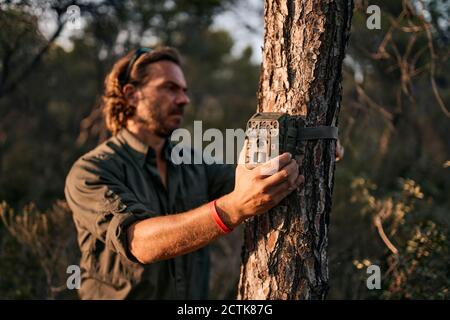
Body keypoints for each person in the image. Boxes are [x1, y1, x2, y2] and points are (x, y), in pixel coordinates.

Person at [64, 47, 303, 299]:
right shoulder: (91, 171)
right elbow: (139, 242)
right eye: (169, 88)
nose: (183, 99)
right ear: (132, 95)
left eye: (184, 90)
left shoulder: (191, 162)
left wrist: (312, 143)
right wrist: (232, 209)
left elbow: (252, 181)